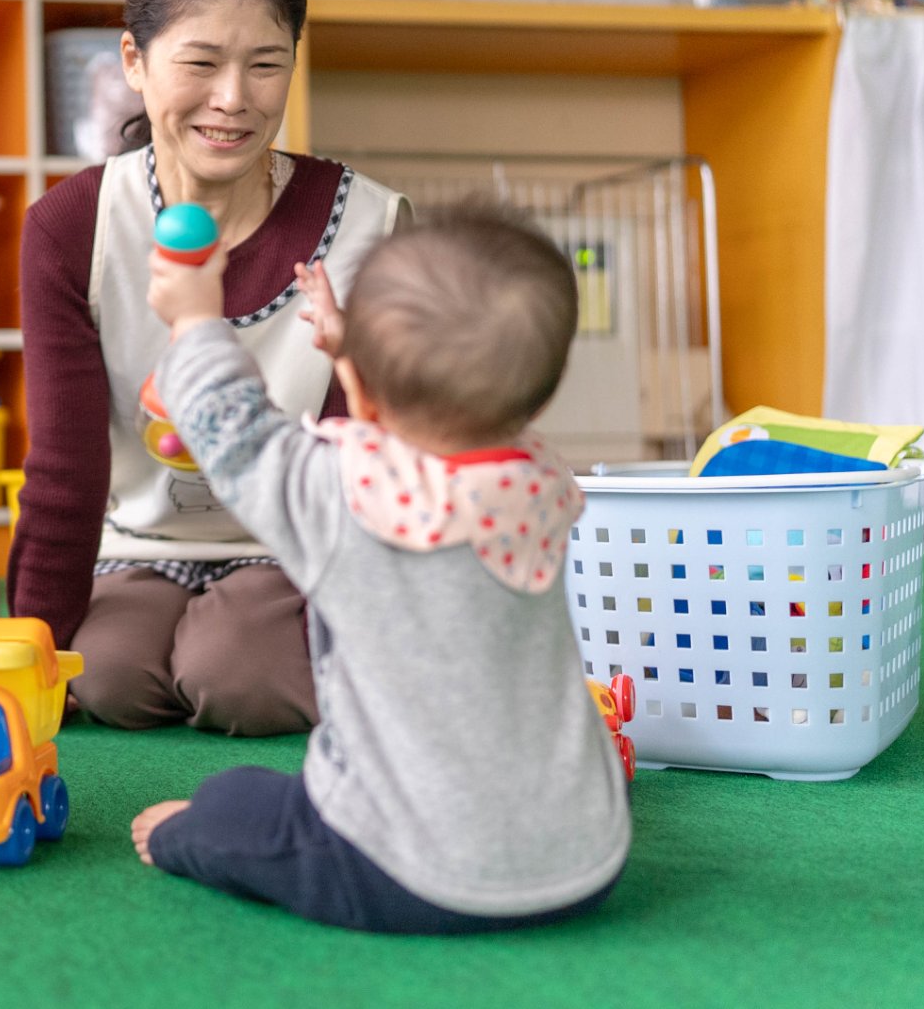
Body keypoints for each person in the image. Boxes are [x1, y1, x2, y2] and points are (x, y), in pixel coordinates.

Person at [130, 201, 629, 933]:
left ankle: (183, 839)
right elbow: (456, 409)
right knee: (268, 793)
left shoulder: (341, 495)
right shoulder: (540, 481)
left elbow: (234, 431)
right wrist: (349, 351)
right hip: (584, 860)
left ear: (361, 385)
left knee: (233, 799)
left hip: (405, 871)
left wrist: (195, 317)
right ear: (540, 394)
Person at [7, 0, 406, 736]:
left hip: (294, 545)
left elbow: (364, 468)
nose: (233, 99)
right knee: (108, 676)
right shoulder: (70, 225)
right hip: (139, 543)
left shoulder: (369, 223)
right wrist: (30, 653)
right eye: (200, 63)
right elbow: (65, 466)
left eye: (266, 65)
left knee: (239, 677)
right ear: (134, 62)